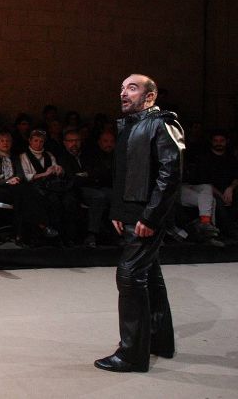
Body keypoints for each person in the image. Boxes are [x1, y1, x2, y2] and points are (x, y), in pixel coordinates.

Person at [95, 74, 183, 373]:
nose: (124, 93)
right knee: (149, 276)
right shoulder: (130, 125)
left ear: (150, 96)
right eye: (122, 88)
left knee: (129, 275)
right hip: (133, 213)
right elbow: (125, 173)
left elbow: (170, 175)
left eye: (132, 88)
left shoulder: (162, 123)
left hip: (147, 216)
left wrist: (150, 217)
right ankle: (159, 341)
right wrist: (119, 211)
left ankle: (131, 355)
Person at [57, 128, 110, 247]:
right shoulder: (62, 157)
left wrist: (86, 175)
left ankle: (116, 234)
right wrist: (86, 175)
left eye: (77, 140)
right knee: (99, 197)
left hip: (94, 186)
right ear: (65, 143)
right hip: (75, 190)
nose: (74, 143)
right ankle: (91, 234)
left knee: (114, 195)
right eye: (71, 141)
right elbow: (71, 177)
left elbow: (98, 172)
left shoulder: (88, 155)